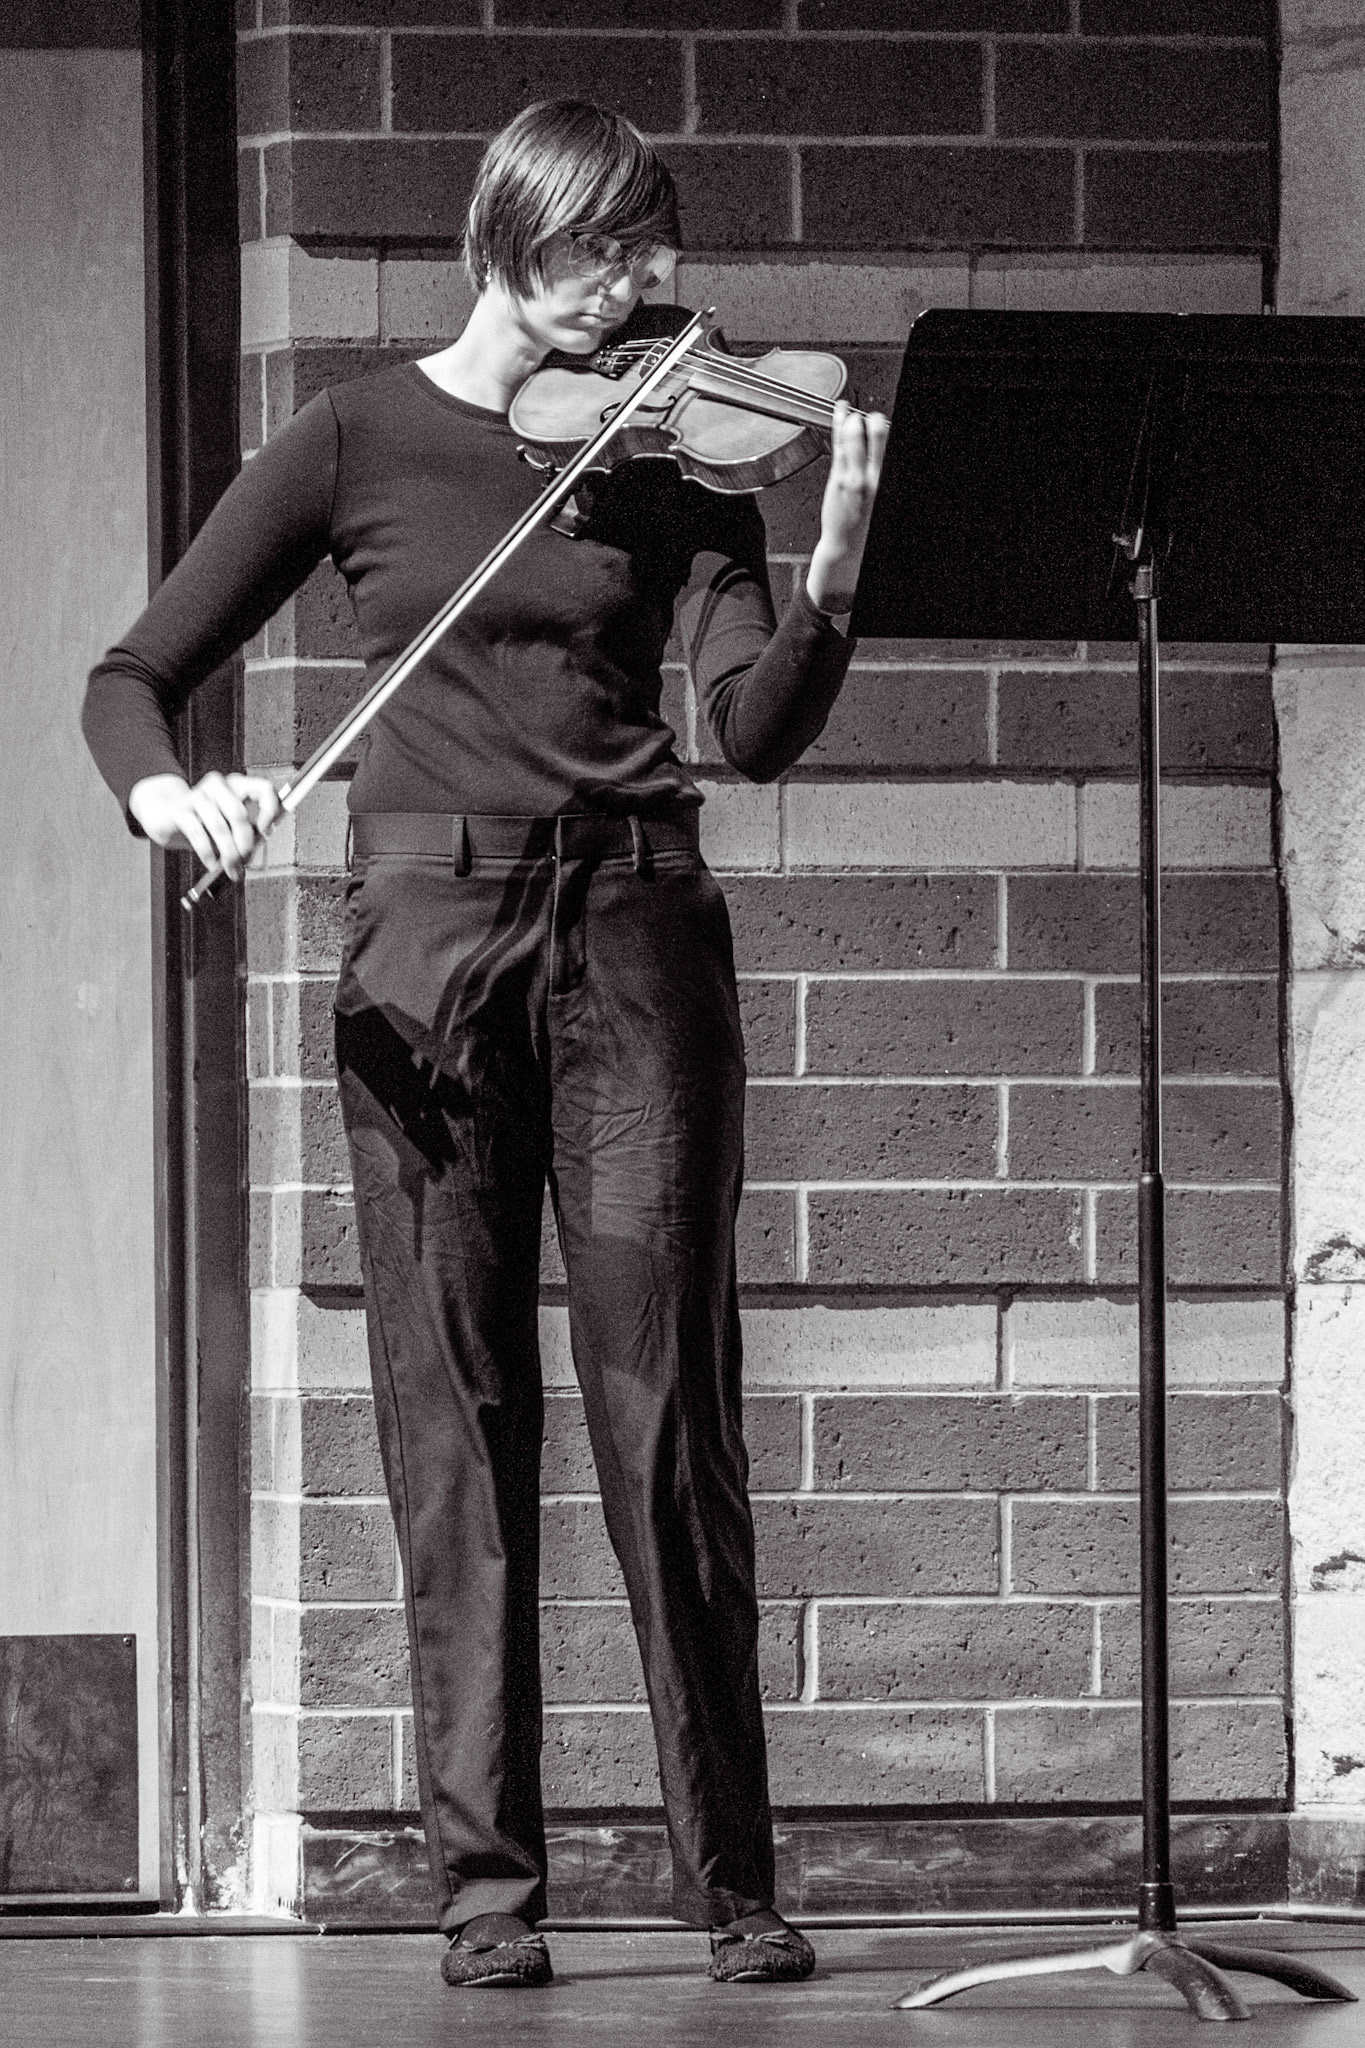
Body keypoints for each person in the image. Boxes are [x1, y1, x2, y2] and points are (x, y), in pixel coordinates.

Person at [83, 99, 887, 1990]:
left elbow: (750, 731)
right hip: (425, 939)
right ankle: (484, 1889)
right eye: (615, 252)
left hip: (633, 931)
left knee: (663, 1410)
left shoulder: (687, 450)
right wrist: (168, 799)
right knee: (453, 1420)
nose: (652, 288)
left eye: (655, 251)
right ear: (512, 241)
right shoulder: (359, 435)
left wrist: (835, 568)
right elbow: (135, 676)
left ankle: (731, 1881)